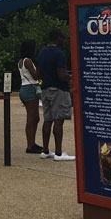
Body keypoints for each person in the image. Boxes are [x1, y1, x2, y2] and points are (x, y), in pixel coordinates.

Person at [36, 29, 75, 161]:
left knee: (48, 120)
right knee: (59, 121)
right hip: (58, 89)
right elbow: (61, 75)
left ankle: (45, 150)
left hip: (45, 89)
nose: (63, 41)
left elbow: (38, 73)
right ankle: (59, 153)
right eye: (62, 38)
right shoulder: (59, 54)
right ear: (58, 38)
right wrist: (71, 77)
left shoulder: (42, 52)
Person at [17, 40, 42, 155]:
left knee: (34, 118)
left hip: (24, 88)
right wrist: (41, 67)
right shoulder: (28, 61)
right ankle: (30, 145)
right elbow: (35, 76)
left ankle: (32, 143)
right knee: (32, 118)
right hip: (30, 89)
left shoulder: (21, 61)